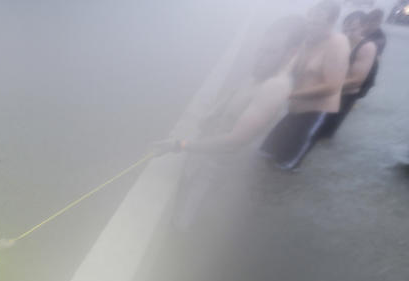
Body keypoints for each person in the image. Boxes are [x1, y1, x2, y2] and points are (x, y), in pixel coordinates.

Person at [152, 15, 308, 155]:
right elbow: (226, 110)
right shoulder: (261, 74)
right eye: (261, 49)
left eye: (271, 52)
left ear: (291, 53)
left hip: (216, 176)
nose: (260, 57)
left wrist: (180, 145)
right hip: (202, 159)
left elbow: (234, 141)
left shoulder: (275, 87)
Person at [260, 0, 350, 170]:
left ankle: (280, 182)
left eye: (317, 21)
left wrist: (290, 94)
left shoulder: (338, 43)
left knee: (286, 163)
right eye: (310, 18)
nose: (311, 23)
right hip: (296, 105)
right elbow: (288, 64)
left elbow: (333, 86)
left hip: (317, 109)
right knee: (267, 150)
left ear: (331, 22)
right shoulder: (308, 38)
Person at [316, 10, 380, 138]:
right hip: (328, 90)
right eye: (345, 28)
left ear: (364, 28)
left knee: (324, 132)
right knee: (311, 127)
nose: (347, 32)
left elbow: (357, 80)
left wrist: (327, 86)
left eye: (353, 29)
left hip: (346, 94)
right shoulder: (338, 41)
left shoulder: (367, 47)